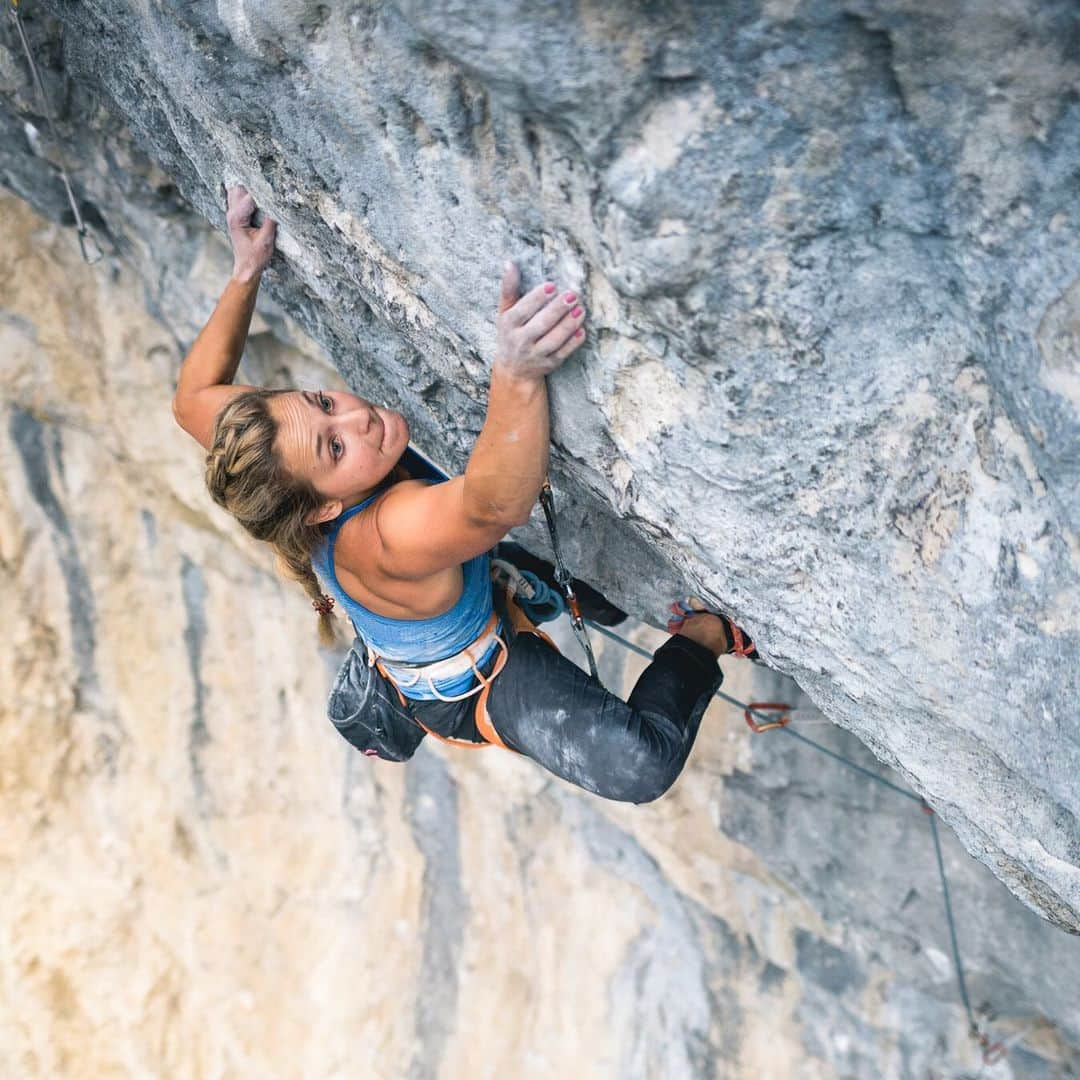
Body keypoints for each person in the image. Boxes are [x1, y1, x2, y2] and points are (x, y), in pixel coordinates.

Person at [172, 184, 755, 804]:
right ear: (321, 508)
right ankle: (706, 631)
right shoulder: (385, 535)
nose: (356, 418)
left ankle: (585, 597)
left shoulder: (275, 454)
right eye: (334, 448)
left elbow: (191, 400)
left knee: (596, 595)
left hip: (454, 578)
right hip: (472, 686)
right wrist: (517, 372)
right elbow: (493, 505)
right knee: (637, 765)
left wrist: (246, 269)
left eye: (322, 402)